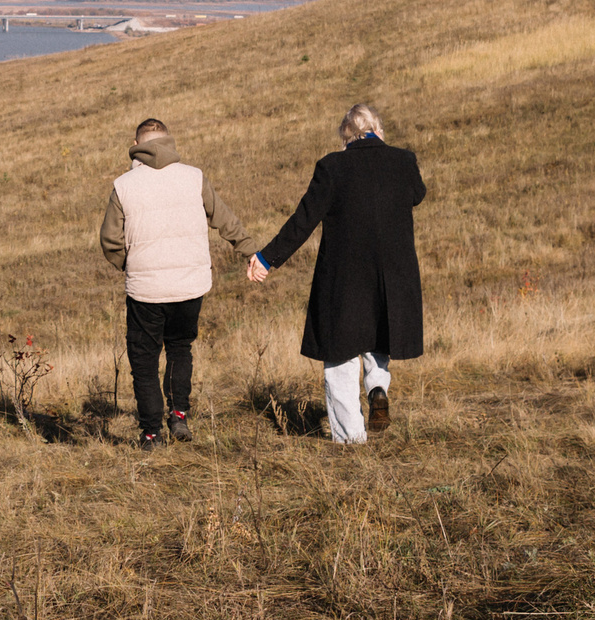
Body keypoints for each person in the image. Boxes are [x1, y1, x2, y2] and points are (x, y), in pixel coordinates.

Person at [246, 103, 426, 443]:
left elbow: (304, 220)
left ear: (346, 137)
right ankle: (376, 387)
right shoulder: (404, 161)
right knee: (378, 337)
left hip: (344, 278)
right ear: (378, 130)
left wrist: (268, 259)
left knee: (341, 355)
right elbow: (417, 195)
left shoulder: (332, 167)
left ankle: (350, 439)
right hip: (394, 275)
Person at [99, 117, 263, 449]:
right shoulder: (194, 177)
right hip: (190, 286)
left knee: (144, 361)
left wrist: (131, 267)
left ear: (136, 146)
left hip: (145, 291)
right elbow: (224, 218)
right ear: (170, 142)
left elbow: (110, 241)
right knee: (179, 349)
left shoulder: (124, 185)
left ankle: (150, 434)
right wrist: (250, 251)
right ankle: (179, 416)